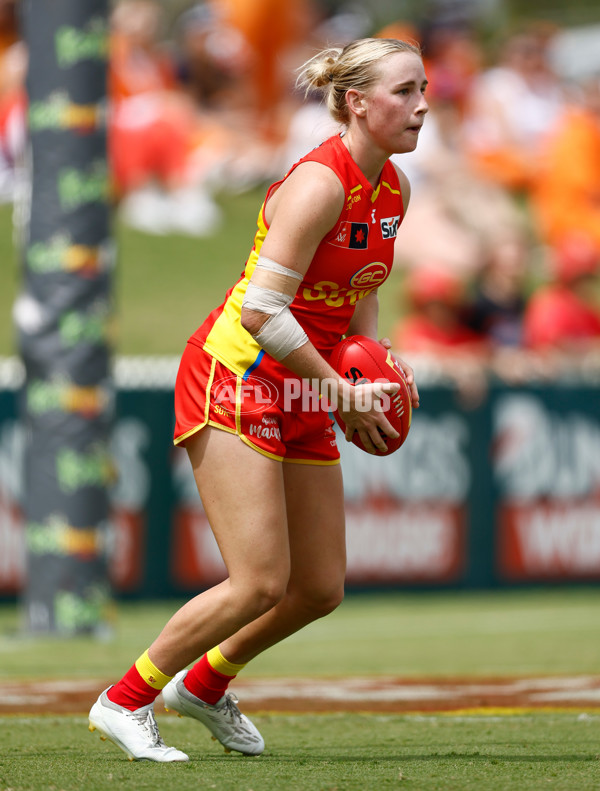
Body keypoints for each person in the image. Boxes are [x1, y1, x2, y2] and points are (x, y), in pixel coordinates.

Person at [89, 37, 424, 762]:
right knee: (259, 581)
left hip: (303, 381)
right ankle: (124, 699)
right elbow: (262, 312)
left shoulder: (393, 188)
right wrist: (339, 386)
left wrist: (380, 371)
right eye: (404, 91)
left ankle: (203, 685)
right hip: (237, 373)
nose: (423, 105)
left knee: (317, 586)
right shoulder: (319, 183)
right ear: (358, 102)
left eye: (424, 88)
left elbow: (361, 292)